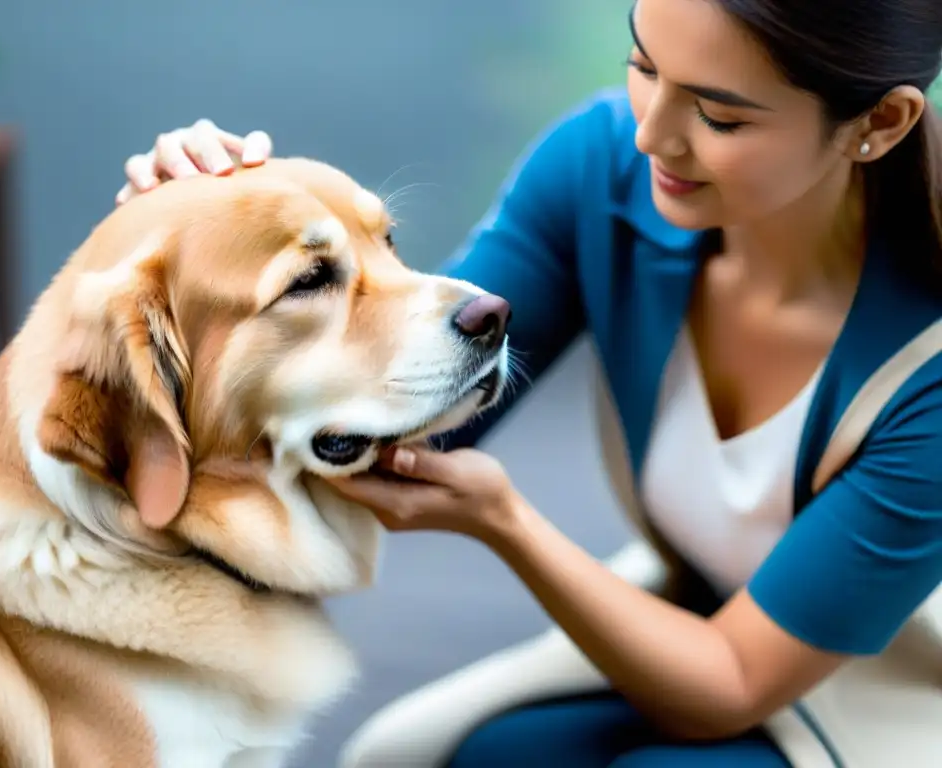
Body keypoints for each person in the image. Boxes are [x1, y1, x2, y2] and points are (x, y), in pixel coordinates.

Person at [115, 0, 942, 765]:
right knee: (434, 757)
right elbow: (407, 404)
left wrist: (505, 521)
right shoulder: (603, 168)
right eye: (645, 65)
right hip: (692, 616)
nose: (651, 134)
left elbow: (728, 686)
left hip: (889, 682)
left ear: (879, 122)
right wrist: (196, 237)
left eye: (719, 115)